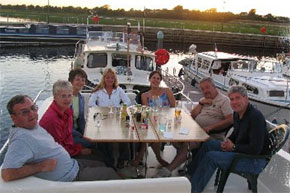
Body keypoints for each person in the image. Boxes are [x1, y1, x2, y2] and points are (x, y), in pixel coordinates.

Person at [1, 95, 120, 182]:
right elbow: (7, 174)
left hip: (73, 164)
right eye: (24, 112)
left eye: (33, 108)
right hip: (71, 177)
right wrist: (40, 166)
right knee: (109, 173)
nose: (32, 114)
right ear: (14, 117)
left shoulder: (32, 126)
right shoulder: (21, 140)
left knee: (101, 161)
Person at [189, 85, 270, 192]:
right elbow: (236, 133)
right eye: (232, 99)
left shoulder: (255, 117)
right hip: (241, 152)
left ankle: (193, 190)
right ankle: (191, 175)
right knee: (208, 144)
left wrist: (233, 147)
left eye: (238, 98)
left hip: (253, 160)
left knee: (211, 157)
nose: (234, 102)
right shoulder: (237, 113)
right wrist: (229, 141)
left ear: (246, 98)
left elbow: (255, 149)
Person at [155, 77, 233, 177]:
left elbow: (230, 119)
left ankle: (168, 170)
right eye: (202, 89)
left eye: (207, 87)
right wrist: (201, 103)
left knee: (187, 143)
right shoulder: (203, 100)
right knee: (172, 136)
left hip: (210, 135)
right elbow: (193, 115)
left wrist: (211, 127)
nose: (205, 91)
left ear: (214, 87)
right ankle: (185, 159)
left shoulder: (224, 100)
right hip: (195, 131)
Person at [39, 80, 96, 159]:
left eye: (69, 95)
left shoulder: (67, 111)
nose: (67, 99)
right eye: (63, 96)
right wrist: (79, 151)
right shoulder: (52, 119)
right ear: (55, 97)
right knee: (98, 154)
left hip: (70, 147)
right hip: (60, 157)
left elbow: (68, 138)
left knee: (97, 146)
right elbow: (59, 148)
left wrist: (78, 147)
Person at [88, 68, 131, 168]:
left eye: (112, 78)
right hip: (102, 118)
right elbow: (91, 103)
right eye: (107, 77)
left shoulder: (119, 90)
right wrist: (101, 110)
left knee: (124, 134)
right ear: (104, 78)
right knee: (106, 136)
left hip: (116, 117)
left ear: (114, 79)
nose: (110, 79)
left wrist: (119, 108)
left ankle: (123, 159)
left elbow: (127, 102)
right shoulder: (98, 90)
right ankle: (109, 160)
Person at [132, 70, 176, 168]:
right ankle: (157, 158)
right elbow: (148, 111)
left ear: (160, 80)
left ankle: (139, 158)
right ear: (150, 79)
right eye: (154, 78)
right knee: (149, 131)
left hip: (167, 120)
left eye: (158, 78)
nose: (156, 80)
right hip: (153, 120)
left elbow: (173, 107)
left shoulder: (167, 91)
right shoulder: (144, 95)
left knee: (152, 133)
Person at [68, 68, 93, 148]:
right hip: (68, 135)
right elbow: (66, 125)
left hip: (77, 131)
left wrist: (86, 133)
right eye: (77, 80)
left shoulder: (80, 98)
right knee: (92, 143)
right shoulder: (66, 99)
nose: (81, 82)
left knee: (97, 139)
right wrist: (81, 135)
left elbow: (81, 119)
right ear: (71, 81)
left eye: (83, 80)